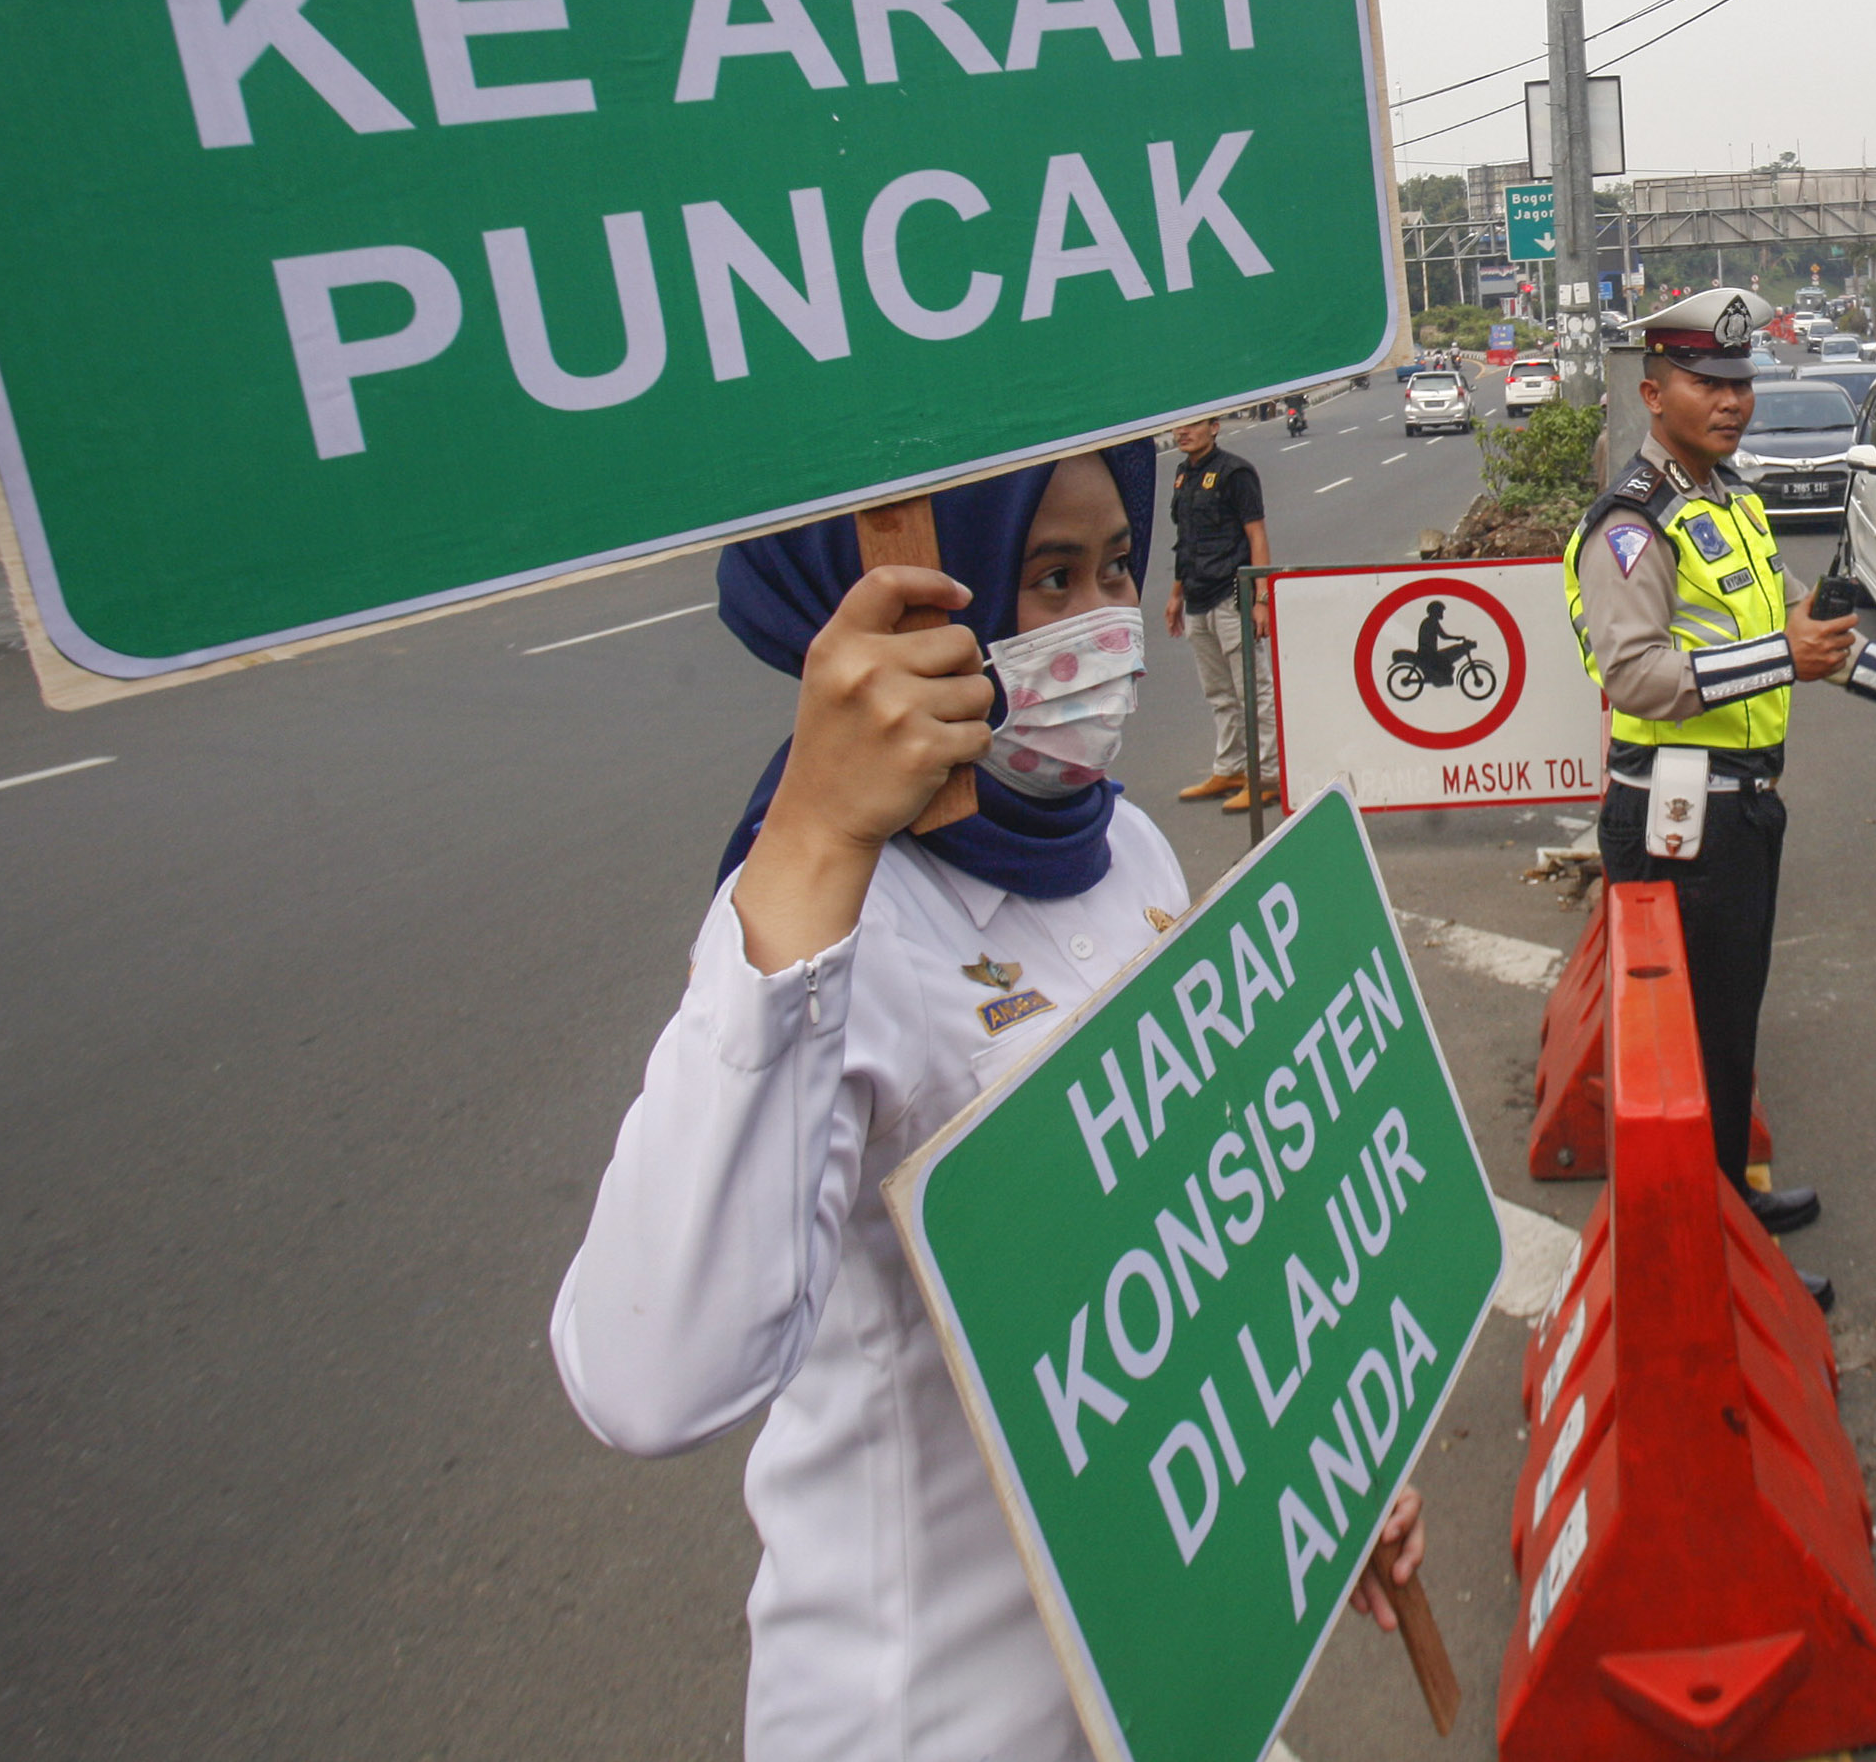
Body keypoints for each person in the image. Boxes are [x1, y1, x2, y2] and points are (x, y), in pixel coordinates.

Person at [551, 447, 1422, 1760]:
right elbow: (650, 1378)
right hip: (940, 1714)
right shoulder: (821, 926)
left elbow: (1216, 1235)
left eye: (1116, 565)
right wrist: (816, 841)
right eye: (1047, 576)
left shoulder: (1122, 847)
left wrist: (1312, 1458)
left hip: (1174, 1674)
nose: (1101, 622)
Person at [1563, 286, 1876, 1287]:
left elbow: (1809, 636)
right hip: (1679, 817)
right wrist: (1781, 657)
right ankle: (1712, 1258)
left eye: (1740, 382)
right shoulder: (1632, 525)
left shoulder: (1727, 502)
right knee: (1694, 1043)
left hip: (1741, 809)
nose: (1731, 400)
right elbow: (1634, 675)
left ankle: (1730, 1198)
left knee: (1730, 1032)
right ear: (1653, 393)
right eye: (1705, 382)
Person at [1161, 415, 1274, 811]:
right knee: (1219, 694)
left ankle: (1269, 776)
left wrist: (1261, 599)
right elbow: (1185, 541)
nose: (1182, 432)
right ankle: (1231, 768)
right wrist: (1176, 595)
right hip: (1197, 596)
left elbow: (1256, 535)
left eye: (1192, 424)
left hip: (1232, 595)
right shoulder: (1183, 475)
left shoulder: (1235, 472)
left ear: (1214, 427)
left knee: (1254, 691)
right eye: (1177, 427)